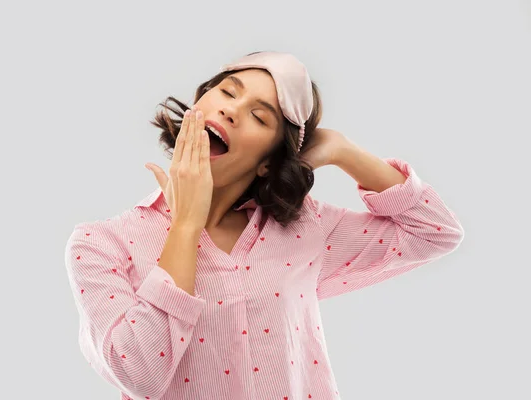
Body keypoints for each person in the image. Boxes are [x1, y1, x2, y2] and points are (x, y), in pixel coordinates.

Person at [64, 51, 465, 400]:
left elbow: (435, 230)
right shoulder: (101, 244)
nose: (231, 110)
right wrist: (186, 225)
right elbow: (140, 374)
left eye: (259, 116)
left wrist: (344, 151)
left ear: (268, 162)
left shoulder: (305, 227)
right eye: (227, 92)